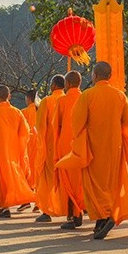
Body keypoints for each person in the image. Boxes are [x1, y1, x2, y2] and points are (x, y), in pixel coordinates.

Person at [58, 61, 128, 239]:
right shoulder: (119, 96)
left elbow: (76, 123)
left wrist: (79, 141)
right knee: (110, 183)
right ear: (110, 76)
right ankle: (102, 220)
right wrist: (120, 134)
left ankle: (104, 217)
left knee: (94, 184)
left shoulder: (88, 95)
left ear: (95, 75)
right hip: (115, 146)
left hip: (93, 146)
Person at [0, 85, 35, 218]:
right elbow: (25, 133)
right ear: (9, 96)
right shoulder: (17, 112)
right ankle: (21, 200)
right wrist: (19, 148)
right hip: (14, 154)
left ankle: (4, 207)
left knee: (0, 180)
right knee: (14, 178)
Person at [33, 75, 66, 223]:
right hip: (66, 146)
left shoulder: (47, 101)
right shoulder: (69, 100)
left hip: (51, 147)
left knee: (48, 180)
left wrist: (41, 146)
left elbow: (40, 127)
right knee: (66, 179)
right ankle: (70, 210)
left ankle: (47, 210)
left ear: (53, 85)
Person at [55, 71, 86, 230]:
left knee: (68, 183)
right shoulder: (85, 98)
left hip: (66, 146)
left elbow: (57, 126)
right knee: (81, 181)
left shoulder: (62, 101)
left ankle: (72, 216)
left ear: (67, 84)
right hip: (83, 146)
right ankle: (80, 210)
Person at [22, 89, 39, 194]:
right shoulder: (41, 109)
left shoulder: (24, 112)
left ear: (28, 99)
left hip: (28, 144)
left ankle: (28, 194)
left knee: (28, 169)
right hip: (40, 144)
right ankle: (38, 194)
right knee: (38, 170)